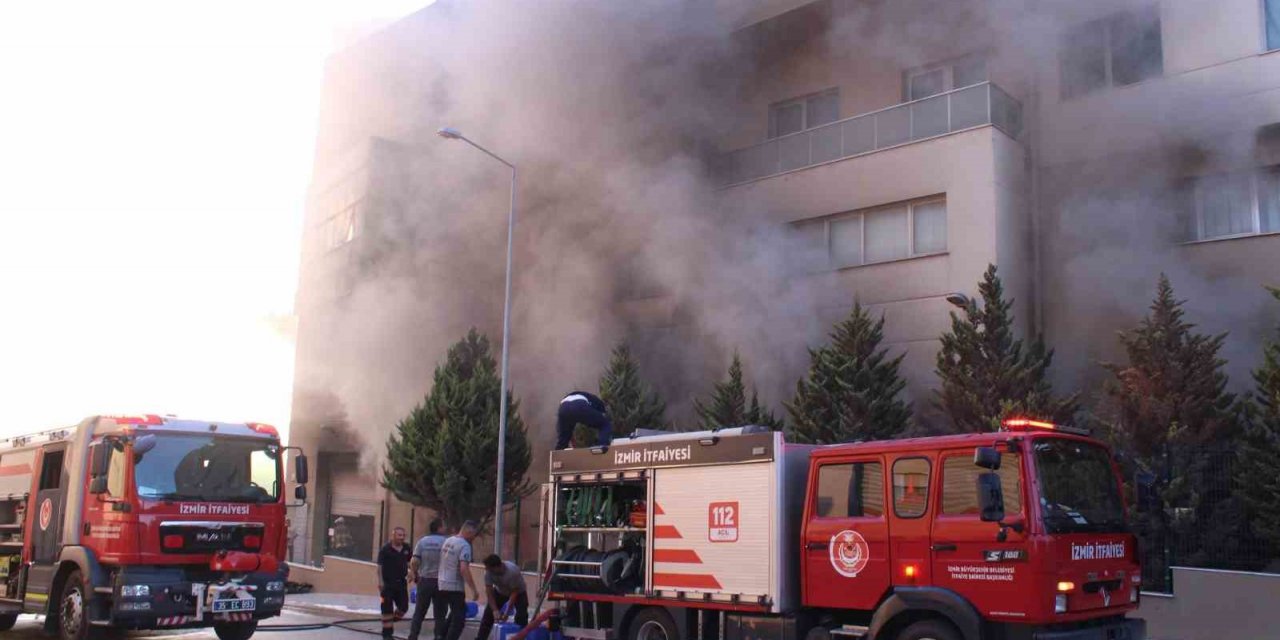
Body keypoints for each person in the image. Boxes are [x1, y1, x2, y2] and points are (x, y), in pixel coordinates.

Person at [436, 521, 480, 640]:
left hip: (442, 583)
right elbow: (464, 569)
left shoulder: (448, 540)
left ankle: (440, 636)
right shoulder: (465, 545)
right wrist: (474, 590)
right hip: (454, 586)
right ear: (468, 531)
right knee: (459, 620)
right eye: (473, 535)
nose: (473, 538)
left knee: (453, 614)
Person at [406, 518, 447, 640]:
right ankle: (439, 636)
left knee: (419, 612)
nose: (445, 528)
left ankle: (413, 636)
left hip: (425, 581)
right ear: (439, 528)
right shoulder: (446, 542)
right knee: (440, 614)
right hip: (441, 582)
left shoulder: (422, 542)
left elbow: (414, 561)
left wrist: (415, 574)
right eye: (443, 526)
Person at [476, 554, 529, 640]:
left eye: (490, 569)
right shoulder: (488, 572)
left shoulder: (512, 571)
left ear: (498, 567)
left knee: (521, 616)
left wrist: (507, 612)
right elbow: (489, 592)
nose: (488, 571)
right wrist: (494, 610)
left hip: (519, 593)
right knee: (488, 615)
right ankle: (480, 638)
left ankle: (520, 637)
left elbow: (514, 592)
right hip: (500, 592)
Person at [376, 527, 412, 639]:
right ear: (393, 536)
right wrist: (380, 582)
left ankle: (391, 620)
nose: (401, 537)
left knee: (404, 607)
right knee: (386, 609)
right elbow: (379, 567)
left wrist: (413, 572)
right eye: (399, 535)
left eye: (403, 535)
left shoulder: (406, 548)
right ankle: (387, 634)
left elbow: (411, 562)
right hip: (387, 584)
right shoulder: (385, 549)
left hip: (401, 583)